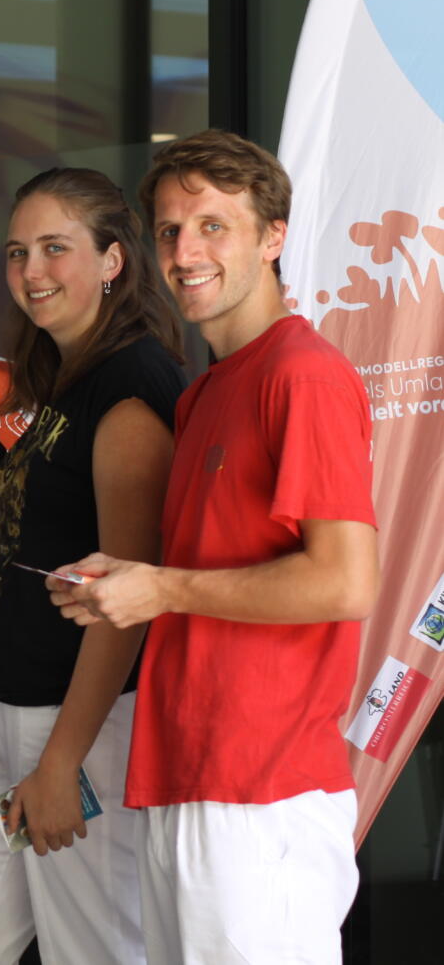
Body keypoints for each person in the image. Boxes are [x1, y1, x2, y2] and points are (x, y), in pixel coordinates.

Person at [47, 129, 378, 965]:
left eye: (212, 226)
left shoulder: (302, 374)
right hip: (189, 777)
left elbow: (344, 582)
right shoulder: (202, 397)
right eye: (168, 230)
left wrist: (160, 590)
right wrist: (123, 582)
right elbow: (201, 572)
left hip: (261, 790)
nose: (184, 251)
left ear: (273, 238)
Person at [0, 168, 186, 965]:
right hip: (8, 717)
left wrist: (61, 760)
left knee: (96, 952)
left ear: (112, 261)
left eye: (56, 248)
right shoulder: (69, 382)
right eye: (17, 251)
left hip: (82, 730)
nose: (32, 271)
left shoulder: (131, 390)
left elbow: (123, 604)